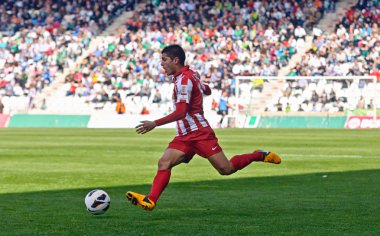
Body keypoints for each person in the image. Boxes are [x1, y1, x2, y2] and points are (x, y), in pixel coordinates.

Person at [126, 45, 281, 211]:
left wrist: (154, 123)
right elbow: (207, 89)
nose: (161, 64)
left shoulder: (184, 80)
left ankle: (258, 155)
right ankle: (150, 200)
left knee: (226, 169)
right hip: (184, 135)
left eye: (164, 60)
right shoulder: (189, 75)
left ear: (175, 60)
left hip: (199, 133)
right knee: (164, 163)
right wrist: (200, 86)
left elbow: (181, 112)